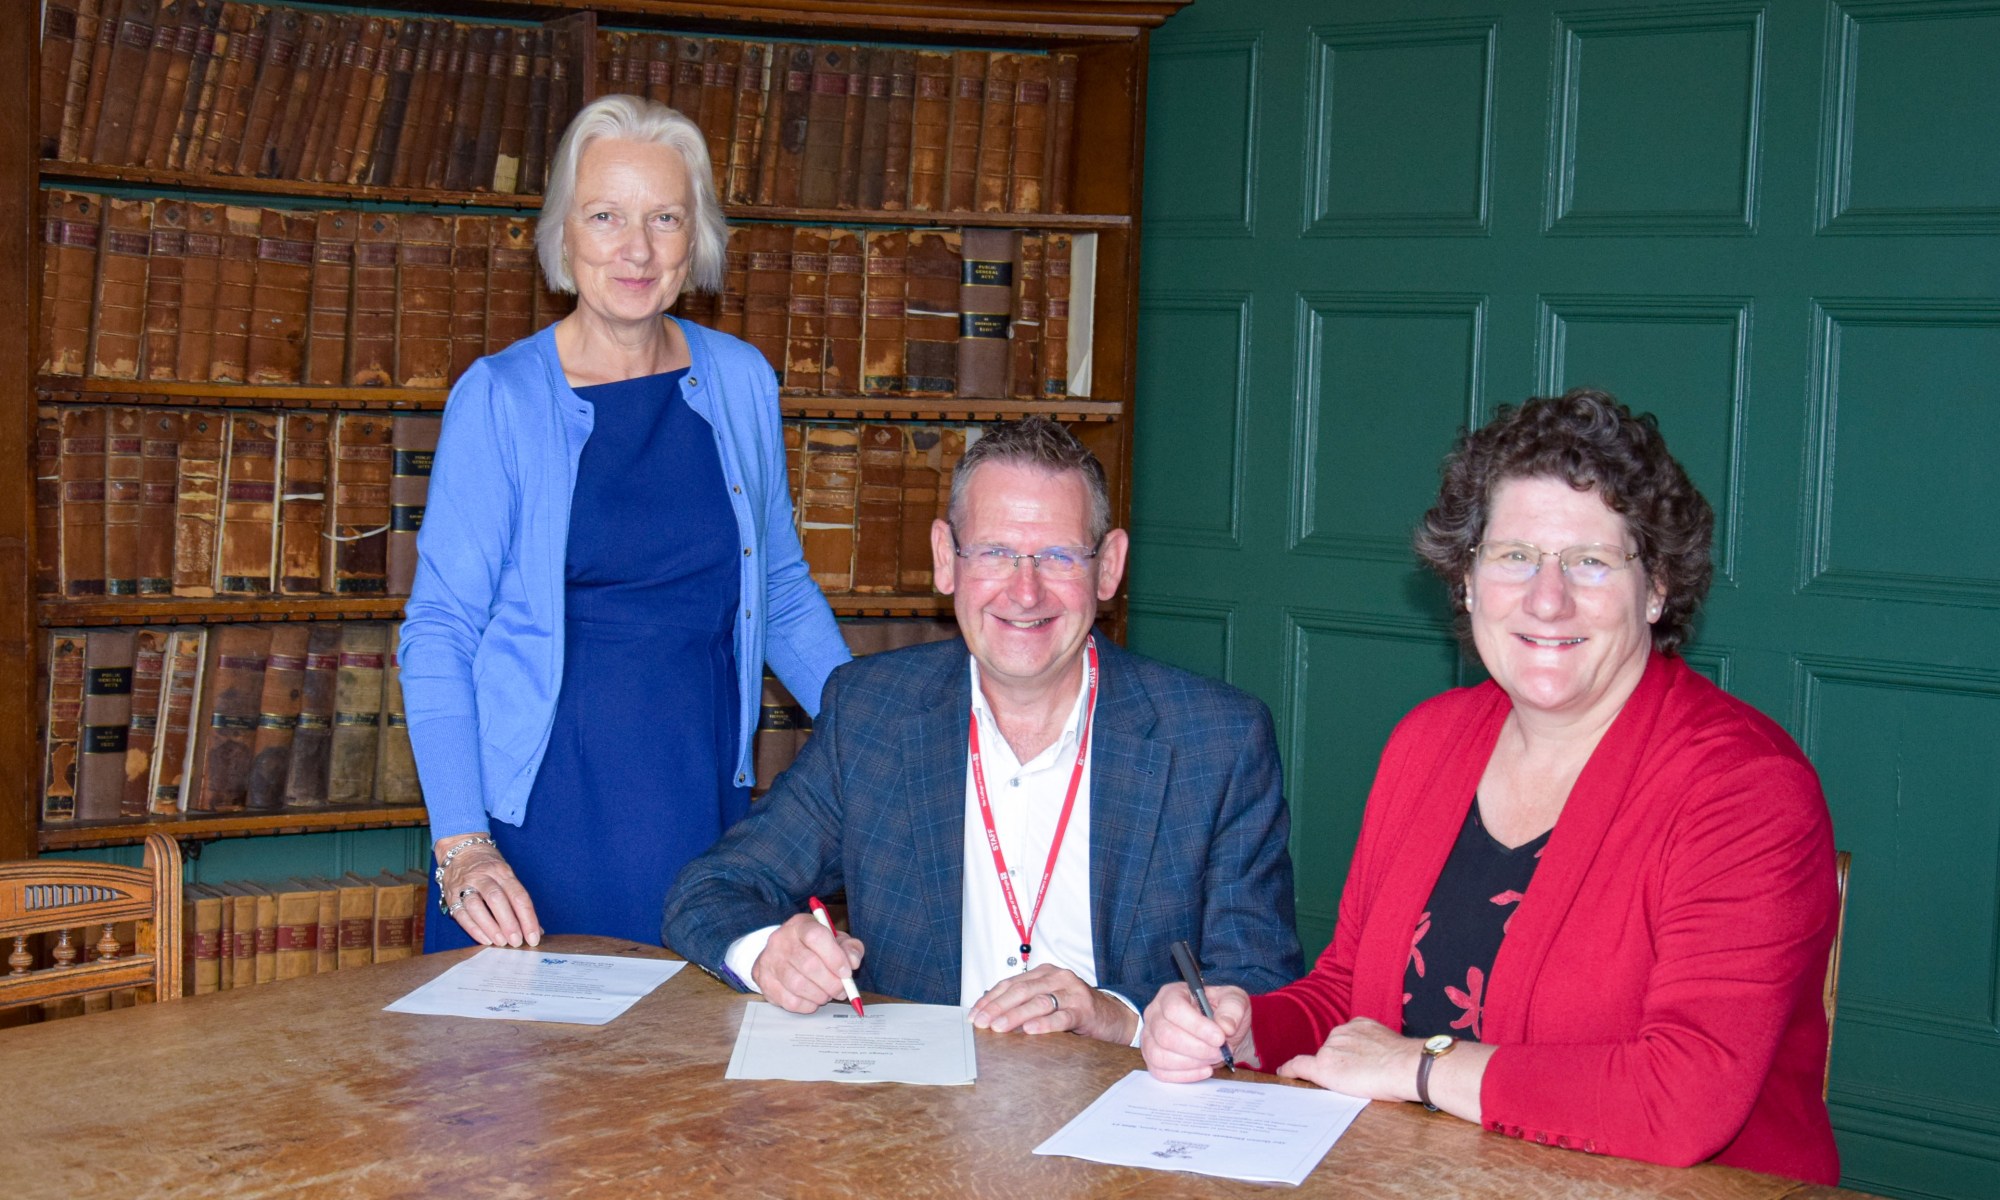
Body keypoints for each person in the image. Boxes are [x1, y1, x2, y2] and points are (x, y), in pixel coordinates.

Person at [1140, 389, 1841, 1184]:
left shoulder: (1745, 789)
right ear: (1467, 581)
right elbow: (1350, 997)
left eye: (1590, 560)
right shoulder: (1429, 741)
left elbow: (1682, 1100)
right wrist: (1244, 1028)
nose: (1548, 598)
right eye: (1514, 556)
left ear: (1656, 590)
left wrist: (1421, 1069)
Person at [662, 416, 1302, 1044]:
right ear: (947, 560)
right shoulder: (873, 714)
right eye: (995, 552)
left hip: (1123, 1111)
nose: (1025, 593)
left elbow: (1262, 988)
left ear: (1108, 568)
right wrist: (769, 950)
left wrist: (1119, 1018)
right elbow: (711, 891)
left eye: (1057, 556)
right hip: (915, 1119)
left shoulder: (1216, 741)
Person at [401, 95, 849, 952]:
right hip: (533, 828)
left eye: (664, 218)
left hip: (703, 805)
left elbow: (782, 593)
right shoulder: (499, 397)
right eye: (606, 216)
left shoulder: (743, 380)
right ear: (564, 235)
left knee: (692, 1073)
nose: (636, 249)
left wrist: (880, 730)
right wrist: (462, 846)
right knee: (523, 1082)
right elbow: (441, 630)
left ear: (697, 238)